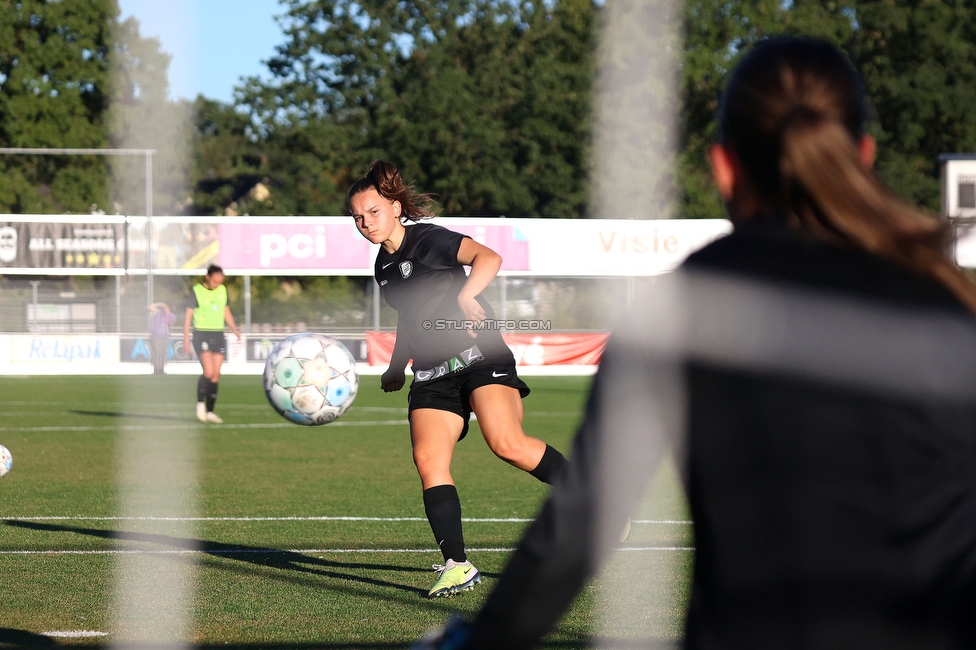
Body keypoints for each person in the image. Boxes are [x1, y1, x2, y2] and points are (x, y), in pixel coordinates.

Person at [420, 36, 976, 649]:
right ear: (865, 154)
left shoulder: (684, 307)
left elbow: (584, 520)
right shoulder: (948, 300)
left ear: (723, 166)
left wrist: (479, 641)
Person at [347, 160, 569, 599]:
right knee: (429, 461)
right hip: (431, 374)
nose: (365, 222)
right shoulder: (383, 268)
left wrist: (467, 294)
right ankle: (457, 564)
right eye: (357, 217)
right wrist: (396, 366)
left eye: (373, 212)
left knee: (507, 443)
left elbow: (489, 257)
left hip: (479, 356)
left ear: (394, 207)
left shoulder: (429, 238)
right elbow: (410, 319)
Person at [183, 264, 241, 424]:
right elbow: (188, 316)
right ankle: (200, 403)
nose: (217, 285)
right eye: (215, 281)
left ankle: (210, 412)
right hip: (201, 333)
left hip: (218, 333)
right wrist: (186, 338)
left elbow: (225, 311)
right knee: (208, 372)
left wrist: (235, 329)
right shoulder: (196, 290)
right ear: (208, 277)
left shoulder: (222, 290)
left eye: (220, 282)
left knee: (216, 374)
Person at [147, 302, 175, 375]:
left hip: (165, 335)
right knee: (157, 352)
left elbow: (170, 325)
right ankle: (156, 369)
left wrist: (169, 321)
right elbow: (150, 307)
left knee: (162, 353)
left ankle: (161, 369)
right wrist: (160, 304)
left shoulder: (172, 316)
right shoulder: (159, 313)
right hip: (157, 335)